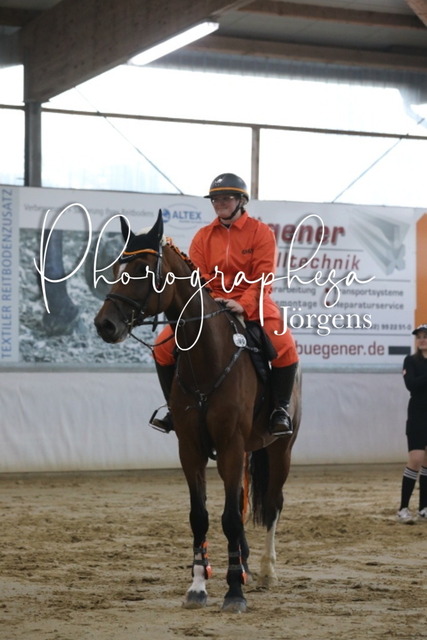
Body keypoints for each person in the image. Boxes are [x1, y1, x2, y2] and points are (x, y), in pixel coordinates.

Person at [151, 172, 299, 438]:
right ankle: (173, 407)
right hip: (212, 303)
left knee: (285, 345)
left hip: (253, 301)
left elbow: (263, 276)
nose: (219, 203)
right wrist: (211, 303)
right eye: (215, 199)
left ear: (241, 201)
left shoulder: (261, 233)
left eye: (226, 198)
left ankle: (280, 409)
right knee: (162, 347)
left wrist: (243, 304)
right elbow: (198, 277)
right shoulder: (203, 236)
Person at [396, 323, 427, 523]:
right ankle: (403, 508)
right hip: (417, 415)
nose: (422, 339)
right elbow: (412, 385)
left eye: (425, 336)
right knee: (416, 459)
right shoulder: (410, 360)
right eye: (419, 336)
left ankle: (424, 508)